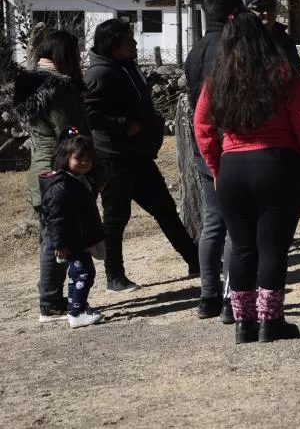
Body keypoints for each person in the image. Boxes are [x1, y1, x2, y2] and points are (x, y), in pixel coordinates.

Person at [194, 11, 300, 344]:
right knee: (273, 248)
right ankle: (270, 321)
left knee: (241, 249)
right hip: (278, 165)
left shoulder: (217, 80)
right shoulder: (283, 74)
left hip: (233, 168)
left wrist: (216, 167)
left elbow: (202, 126)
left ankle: (243, 323)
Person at [84, 19, 199, 292]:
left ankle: (195, 261)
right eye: (128, 40)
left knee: (166, 210)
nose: (135, 44)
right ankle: (114, 276)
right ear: (114, 45)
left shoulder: (127, 67)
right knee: (116, 218)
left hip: (139, 156)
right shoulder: (99, 74)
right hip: (114, 158)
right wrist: (124, 124)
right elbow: (90, 113)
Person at [13, 30, 99, 322]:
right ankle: (50, 302)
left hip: (42, 167)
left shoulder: (31, 84)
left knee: (51, 236)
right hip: (60, 170)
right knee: (56, 240)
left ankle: (52, 298)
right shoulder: (58, 89)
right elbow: (70, 131)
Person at [184, 0, 244, 323]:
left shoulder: (196, 51)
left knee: (212, 223)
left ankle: (207, 294)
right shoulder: (234, 47)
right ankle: (232, 296)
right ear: (235, 12)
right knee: (236, 225)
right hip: (232, 144)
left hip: (201, 143)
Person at [38, 131, 105, 328]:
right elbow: (56, 219)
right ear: (65, 158)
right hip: (69, 241)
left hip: (77, 239)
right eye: (79, 158)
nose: (85, 162)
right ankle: (76, 313)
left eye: (88, 159)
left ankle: (76, 305)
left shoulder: (77, 180)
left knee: (78, 274)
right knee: (83, 273)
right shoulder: (60, 186)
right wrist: (60, 244)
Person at [243, 0, 300, 71]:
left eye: (270, 7)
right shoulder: (240, 40)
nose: (266, 13)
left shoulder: (286, 41)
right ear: (247, 12)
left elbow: (297, 74)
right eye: (260, 8)